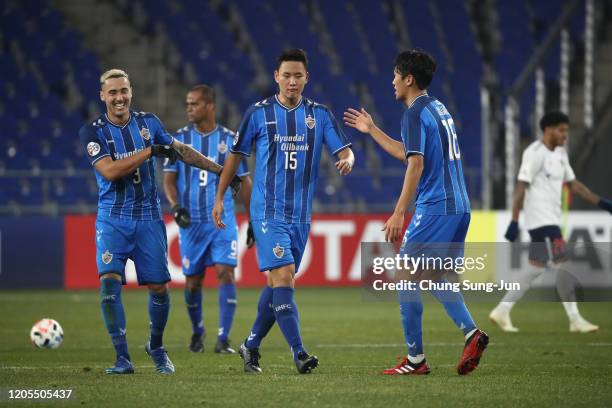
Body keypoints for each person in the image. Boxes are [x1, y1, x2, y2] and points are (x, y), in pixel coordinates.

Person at [79, 69, 240, 374]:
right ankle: (122, 357)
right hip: (112, 218)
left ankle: (156, 346)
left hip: (149, 218)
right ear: (102, 96)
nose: (119, 97)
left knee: (159, 289)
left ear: (131, 92)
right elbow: (110, 171)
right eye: (112, 92)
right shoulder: (92, 132)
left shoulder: (148, 123)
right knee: (108, 283)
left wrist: (221, 171)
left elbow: (180, 151)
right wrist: (149, 150)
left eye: (123, 91)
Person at [344, 49, 488, 375]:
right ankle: (472, 334)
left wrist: (398, 212)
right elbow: (410, 153)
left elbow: (416, 164)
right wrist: (373, 129)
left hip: (436, 207)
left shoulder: (413, 113)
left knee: (405, 275)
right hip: (460, 207)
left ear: (408, 79)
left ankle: (415, 360)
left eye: (396, 74)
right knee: (433, 275)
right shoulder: (437, 107)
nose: (392, 80)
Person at [212, 49, 355, 374]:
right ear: (276, 76)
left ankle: (250, 346)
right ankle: (299, 353)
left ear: (306, 78)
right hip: (267, 213)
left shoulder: (318, 115)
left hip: (300, 217)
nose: (292, 81)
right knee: (284, 275)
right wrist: (220, 197)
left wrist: (348, 159)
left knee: (279, 285)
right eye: (286, 75)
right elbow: (235, 156)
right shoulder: (259, 114)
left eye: (298, 75)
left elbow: (344, 149)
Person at [489, 111, 612, 333]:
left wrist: (602, 203)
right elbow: (520, 188)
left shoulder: (561, 154)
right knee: (564, 264)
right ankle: (575, 320)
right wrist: (514, 221)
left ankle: (502, 310)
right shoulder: (534, 153)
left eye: (567, 130)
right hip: (542, 222)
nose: (566, 134)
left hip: (551, 220)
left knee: (534, 270)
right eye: (562, 130)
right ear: (548, 130)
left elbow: (574, 184)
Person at [163, 84, 253, 354]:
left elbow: (245, 184)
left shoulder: (230, 139)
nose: (188, 108)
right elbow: (169, 180)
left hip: (222, 221)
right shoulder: (178, 140)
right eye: (187, 104)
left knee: (226, 273)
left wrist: (251, 221)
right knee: (193, 281)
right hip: (191, 224)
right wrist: (175, 205)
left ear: (210, 106)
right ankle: (197, 331)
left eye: (194, 104)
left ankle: (223, 338)